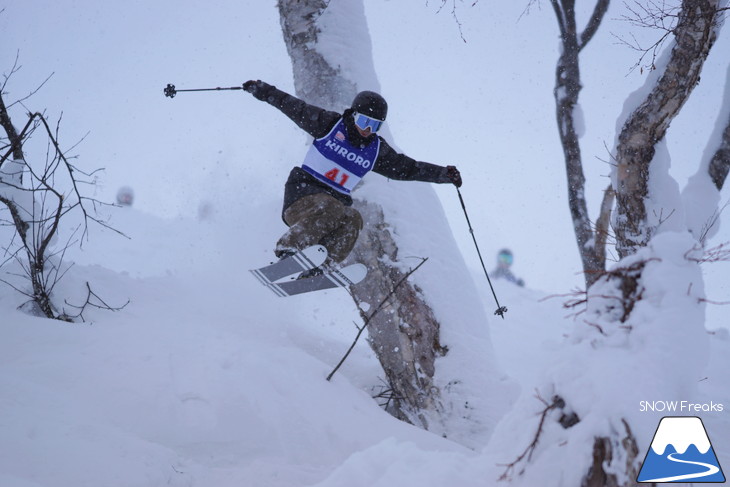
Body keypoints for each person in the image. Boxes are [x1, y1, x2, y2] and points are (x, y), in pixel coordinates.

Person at [242, 80, 462, 275]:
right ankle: (290, 249)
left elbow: (409, 168)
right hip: (302, 196)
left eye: (374, 125)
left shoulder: (376, 150)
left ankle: (322, 266)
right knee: (334, 208)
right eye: (364, 121)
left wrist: (444, 175)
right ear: (353, 114)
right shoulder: (329, 124)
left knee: (353, 218)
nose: (367, 130)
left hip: (330, 209)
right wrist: (264, 91)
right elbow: (294, 107)